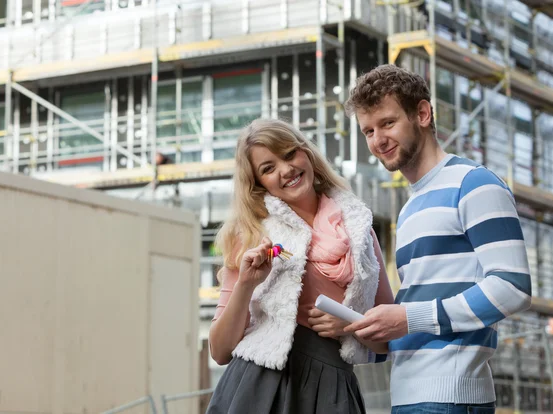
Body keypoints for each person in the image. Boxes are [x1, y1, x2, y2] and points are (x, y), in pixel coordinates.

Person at [343, 64, 532, 414]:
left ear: (423, 113)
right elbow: (420, 306)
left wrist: (407, 318)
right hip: (408, 395)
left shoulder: (474, 184)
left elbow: (513, 287)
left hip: (452, 396)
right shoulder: (410, 207)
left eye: (387, 123)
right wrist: (370, 330)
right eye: (368, 131)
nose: (377, 140)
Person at [206, 118, 394, 414]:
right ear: (258, 183)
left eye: (289, 153)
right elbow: (219, 351)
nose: (286, 170)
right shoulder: (251, 235)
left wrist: (353, 326)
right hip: (257, 387)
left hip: (333, 389)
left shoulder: (360, 230)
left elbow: (388, 341)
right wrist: (246, 283)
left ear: (306, 153)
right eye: (268, 168)